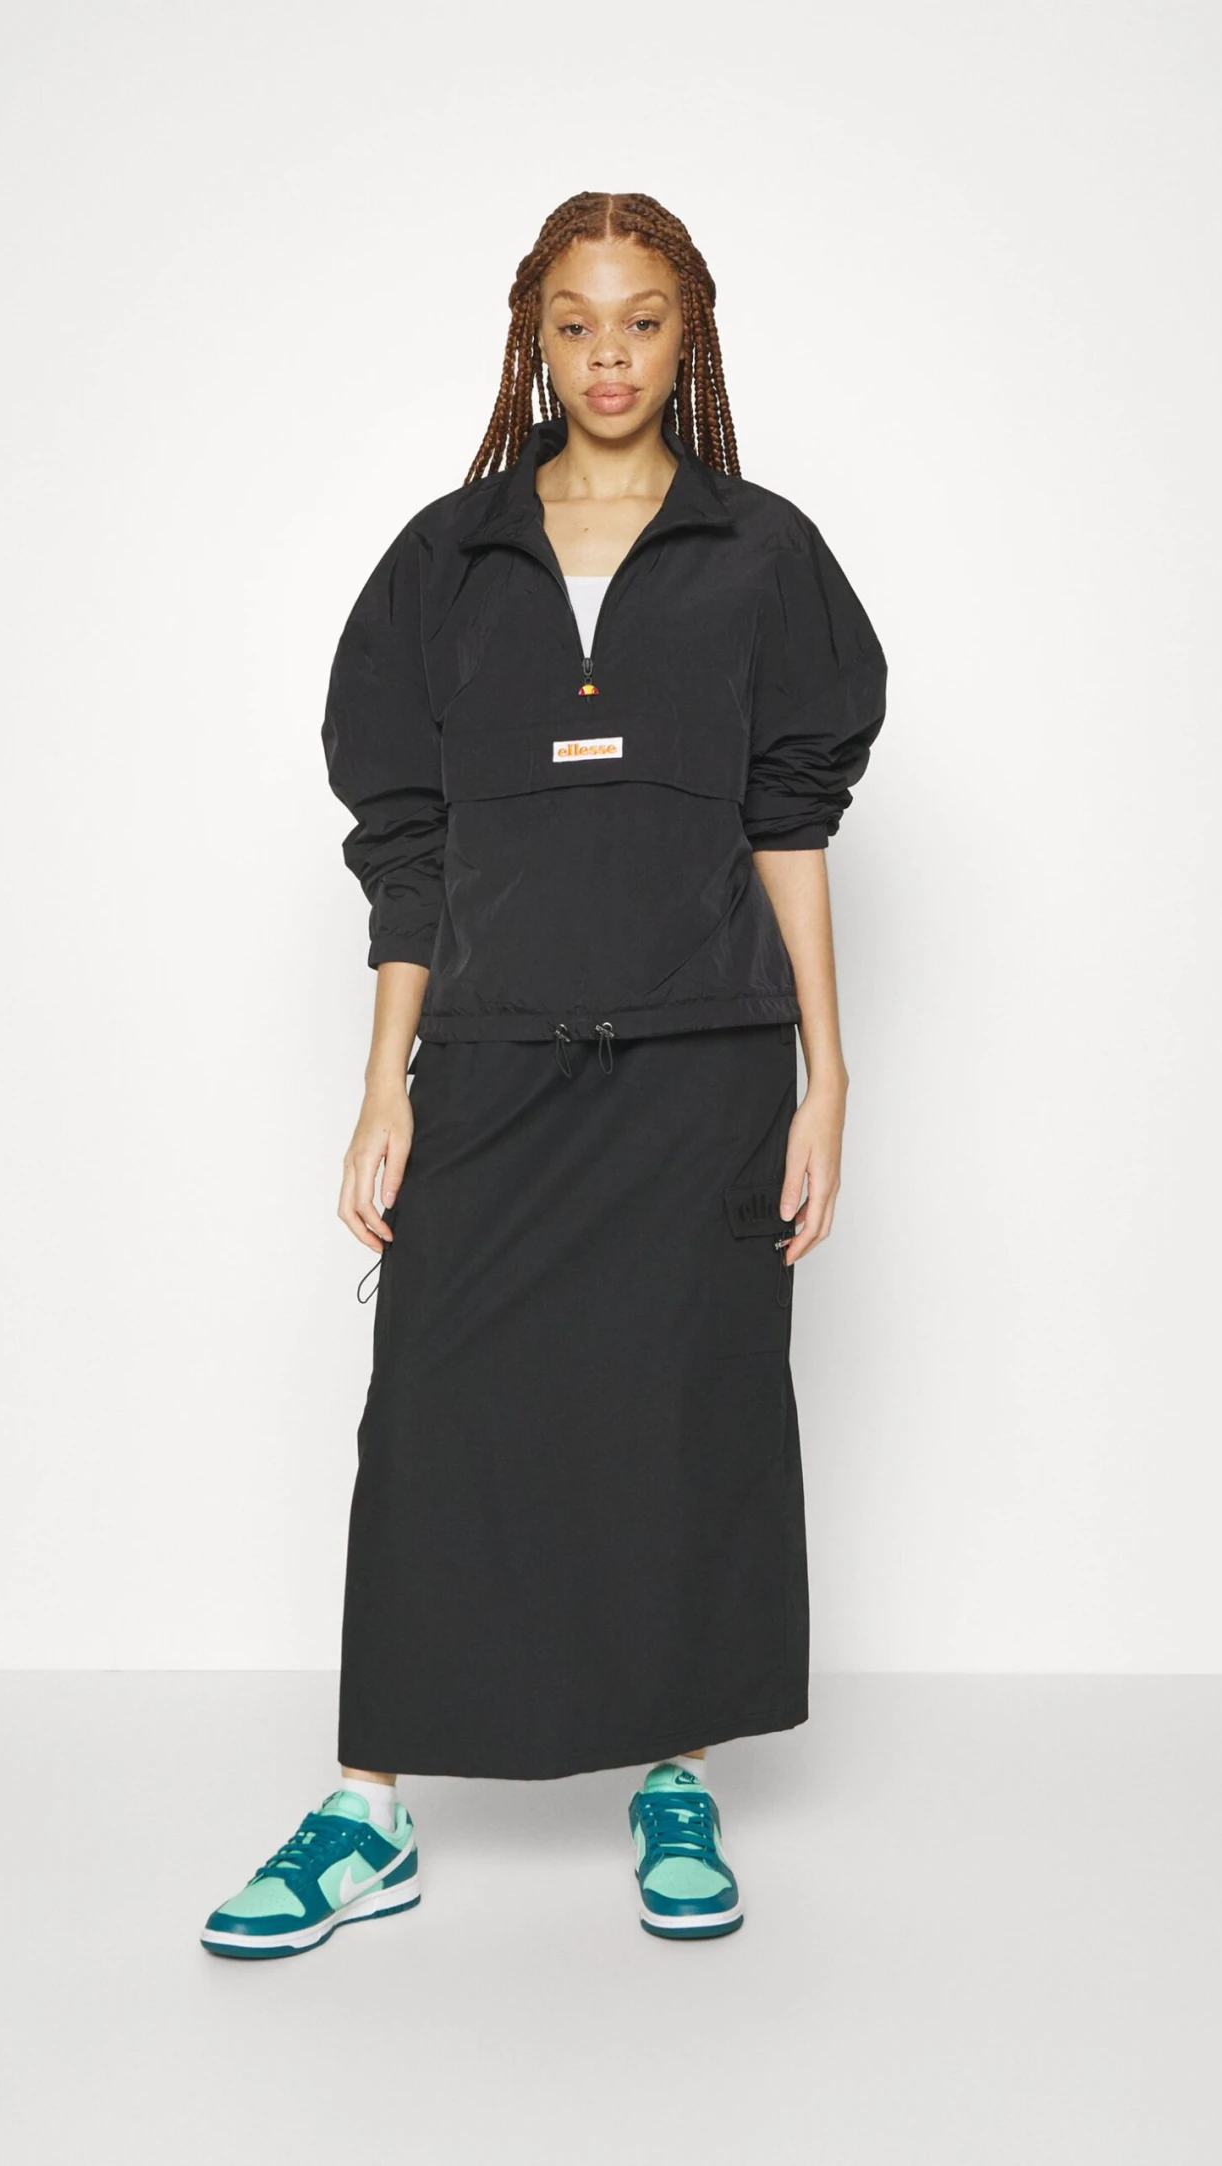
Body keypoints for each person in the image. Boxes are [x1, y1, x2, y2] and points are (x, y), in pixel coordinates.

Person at [201, 190, 888, 1957]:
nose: (609, 356)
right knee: (428, 1409)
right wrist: (386, 1082)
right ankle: (369, 1808)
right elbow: (407, 848)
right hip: (494, 1057)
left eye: (642, 321)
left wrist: (827, 1075)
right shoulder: (448, 561)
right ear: (533, 337)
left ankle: (676, 1771)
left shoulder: (764, 555)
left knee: (685, 1413)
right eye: (575, 323)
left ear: (689, 333)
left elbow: (791, 825)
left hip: (704, 1067)